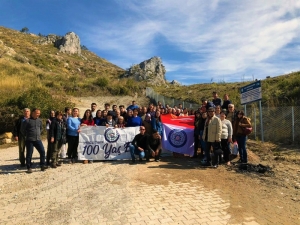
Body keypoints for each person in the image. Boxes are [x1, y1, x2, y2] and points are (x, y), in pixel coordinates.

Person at [22, 108, 47, 173]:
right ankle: (29, 167)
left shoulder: (39, 120)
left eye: (39, 113)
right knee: (29, 154)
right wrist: (28, 135)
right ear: (33, 113)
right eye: (37, 113)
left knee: (42, 151)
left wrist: (38, 133)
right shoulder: (27, 121)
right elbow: (22, 130)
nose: (38, 114)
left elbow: (41, 128)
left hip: (38, 139)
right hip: (29, 140)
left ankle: (42, 165)